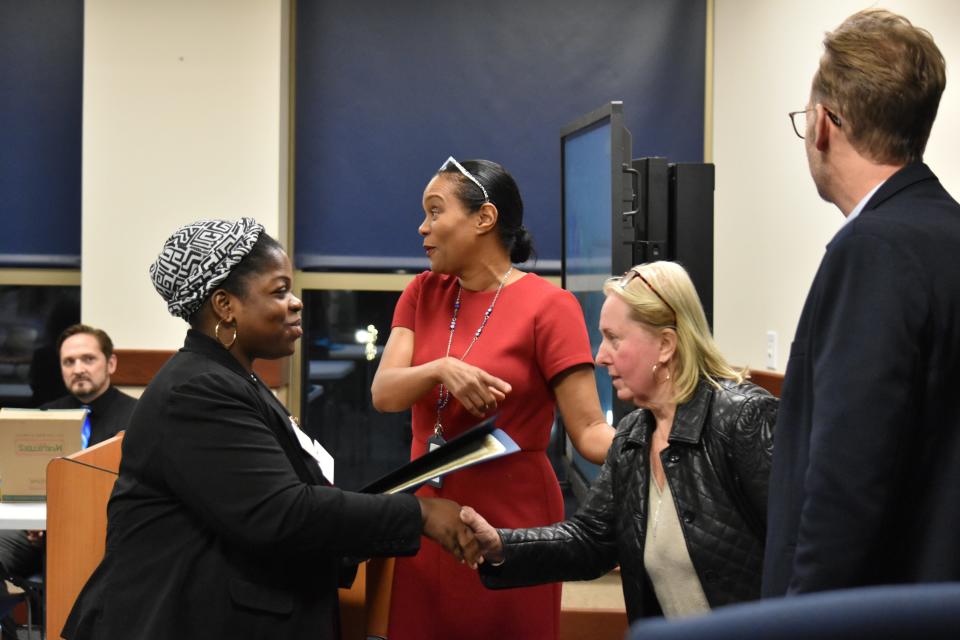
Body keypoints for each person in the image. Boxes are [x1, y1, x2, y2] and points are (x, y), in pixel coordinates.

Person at [62, 218, 480, 640]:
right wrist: (419, 513)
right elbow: (281, 513)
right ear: (225, 306)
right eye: (279, 291)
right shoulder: (197, 390)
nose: (296, 303)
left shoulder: (232, 377)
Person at [371, 157, 614, 639]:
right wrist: (441, 369)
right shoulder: (422, 292)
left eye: (436, 212)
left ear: (484, 218)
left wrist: (658, 438)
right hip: (429, 513)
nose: (423, 227)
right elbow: (384, 393)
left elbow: (587, 431)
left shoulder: (551, 306)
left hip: (513, 519)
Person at [763, 9, 960, 596]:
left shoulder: (872, 249)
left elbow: (849, 478)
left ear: (824, 124)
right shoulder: (946, 233)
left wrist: (804, 619)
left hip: (868, 610)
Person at [461, 261, 778, 623]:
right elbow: (590, 541)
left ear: (665, 344)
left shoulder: (744, 418)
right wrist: (502, 546)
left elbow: (799, 551)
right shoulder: (633, 436)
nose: (599, 356)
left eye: (614, 338)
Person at [0, 324, 137, 634]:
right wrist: (37, 519)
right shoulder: (44, 416)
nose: (78, 369)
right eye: (69, 362)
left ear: (110, 363)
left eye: (88, 359)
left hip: (103, 532)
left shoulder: (136, 418)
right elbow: (27, 483)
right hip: (37, 533)